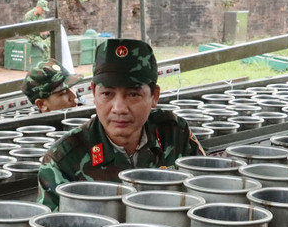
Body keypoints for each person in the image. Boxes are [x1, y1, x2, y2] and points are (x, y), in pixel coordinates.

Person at [37, 38, 205, 209]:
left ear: (154, 96)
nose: (119, 108)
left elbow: (205, 194)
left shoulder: (175, 133)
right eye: (108, 94)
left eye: (133, 94)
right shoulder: (63, 159)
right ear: (94, 93)